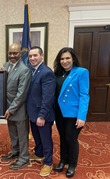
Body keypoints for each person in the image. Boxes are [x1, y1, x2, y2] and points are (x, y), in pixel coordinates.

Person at [53, 47, 90, 178]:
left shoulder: (81, 72)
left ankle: (72, 164)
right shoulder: (57, 73)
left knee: (71, 139)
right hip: (59, 113)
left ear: (73, 58)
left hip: (73, 114)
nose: (64, 61)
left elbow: (84, 95)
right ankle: (63, 160)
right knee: (62, 138)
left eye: (67, 58)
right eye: (62, 59)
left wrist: (82, 116)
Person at [26, 46, 56, 177]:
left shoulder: (46, 72)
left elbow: (48, 97)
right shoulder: (32, 70)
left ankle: (48, 162)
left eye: (35, 55)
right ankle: (39, 153)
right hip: (32, 112)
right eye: (30, 56)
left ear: (42, 56)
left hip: (42, 114)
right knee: (37, 137)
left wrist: (42, 115)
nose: (32, 58)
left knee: (45, 139)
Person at [1, 43, 31, 170]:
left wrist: (11, 109)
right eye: (10, 53)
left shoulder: (24, 70)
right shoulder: (5, 65)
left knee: (22, 135)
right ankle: (15, 151)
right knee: (12, 133)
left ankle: (24, 157)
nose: (12, 55)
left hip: (18, 109)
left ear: (21, 54)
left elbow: (21, 94)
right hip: (7, 107)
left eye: (15, 53)